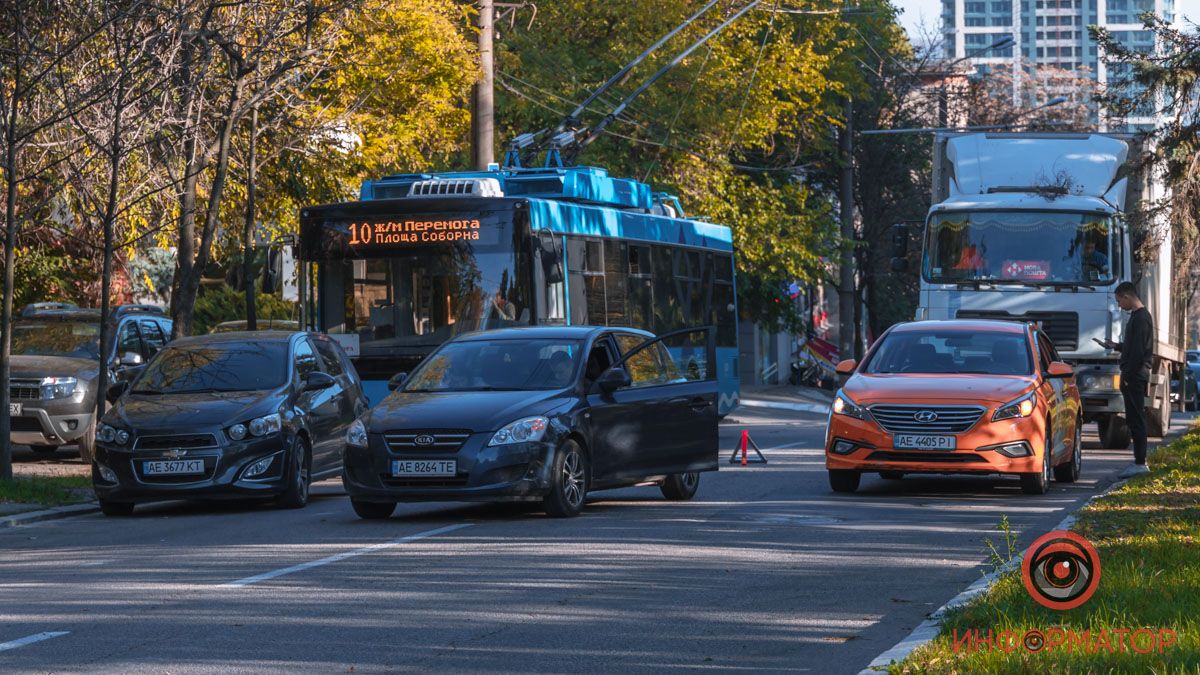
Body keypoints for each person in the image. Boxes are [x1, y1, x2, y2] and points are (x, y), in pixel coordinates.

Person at [1099, 281, 1153, 475]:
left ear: (1127, 296)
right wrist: (1116, 346)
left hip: (1135, 376)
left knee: (1136, 419)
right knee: (1133, 418)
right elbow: (1133, 347)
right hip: (1133, 374)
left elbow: (1139, 352)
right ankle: (1139, 461)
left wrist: (1128, 376)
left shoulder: (1141, 319)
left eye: (1119, 301)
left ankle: (1140, 463)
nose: (1120, 305)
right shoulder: (1138, 318)